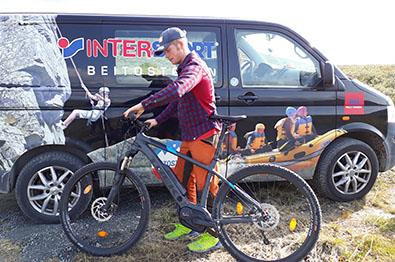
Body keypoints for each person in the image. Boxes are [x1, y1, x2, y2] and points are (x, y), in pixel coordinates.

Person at [123, 27, 221, 253]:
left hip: (204, 135)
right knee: (183, 181)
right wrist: (157, 120)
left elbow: (178, 91)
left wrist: (144, 105)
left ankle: (213, 233)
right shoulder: (184, 68)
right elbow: (179, 102)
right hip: (189, 136)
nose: (167, 56)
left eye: (167, 51)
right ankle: (190, 223)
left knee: (208, 185)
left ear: (179, 44)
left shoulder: (194, 67)